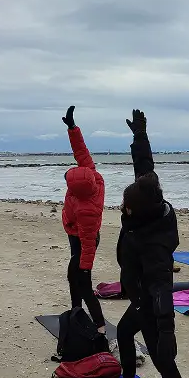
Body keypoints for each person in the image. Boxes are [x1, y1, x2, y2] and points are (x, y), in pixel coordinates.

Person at [113, 110, 189, 378]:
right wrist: (140, 136)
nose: (122, 208)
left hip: (151, 302)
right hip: (139, 298)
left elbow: (162, 289)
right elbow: (145, 168)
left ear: (139, 210)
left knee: (164, 362)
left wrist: (165, 332)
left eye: (126, 206)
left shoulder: (154, 244)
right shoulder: (151, 197)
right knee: (124, 331)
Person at [60, 105, 107, 334]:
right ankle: (76, 312)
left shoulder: (87, 210)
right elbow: (81, 151)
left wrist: (86, 268)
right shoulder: (91, 176)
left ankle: (99, 325)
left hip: (84, 240)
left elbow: (88, 244)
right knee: (72, 277)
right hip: (74, 234)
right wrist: (72, 128)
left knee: (82, 281)